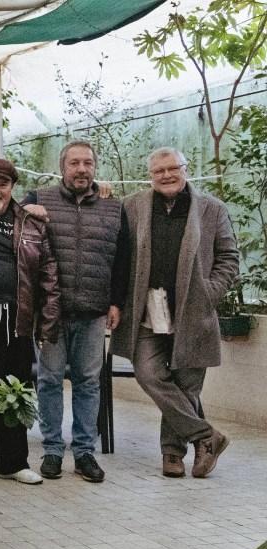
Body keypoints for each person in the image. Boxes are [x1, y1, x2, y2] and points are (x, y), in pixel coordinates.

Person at [111, 147, 239, 478]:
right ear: (150, 175)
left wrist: (208, 294)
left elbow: (229, 257)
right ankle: (206, 436)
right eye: (159, 171)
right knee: (149, 372)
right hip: (147, 307)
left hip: (193, 310)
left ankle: (173, 453)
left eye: (173, 168)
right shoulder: (133, 206)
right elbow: (119, 253)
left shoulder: (211, 209)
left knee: (186, 382)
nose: (166, 175)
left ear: (185, 169)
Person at [22, 141, 129, 482]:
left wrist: (116, 302)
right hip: (52, 311)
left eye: (87, 163)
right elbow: (6, 214)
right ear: (62, 167)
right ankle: (52, 449)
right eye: (74, 163)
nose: (81, 169)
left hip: (94, 310)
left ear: (95, 167)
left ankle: (84, 451)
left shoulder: (114, 208)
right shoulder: (39, 199)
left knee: (88, 381)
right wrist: (26, 210)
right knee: (50, 379)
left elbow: (123, 258)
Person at [0, 157, 60, 487]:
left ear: (12, 188)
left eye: (3, 184)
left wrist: (47, 325)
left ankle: (12, 462)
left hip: (18, 318)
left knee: (17, 390)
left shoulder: (31, 222)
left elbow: (49, 275)